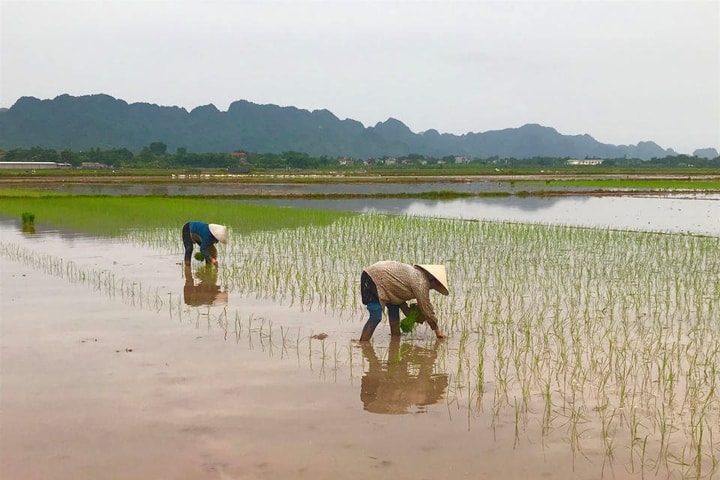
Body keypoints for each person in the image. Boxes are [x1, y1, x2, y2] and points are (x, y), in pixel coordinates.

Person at [359, 261, 449, 342]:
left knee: (394, 308)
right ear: (434, 280)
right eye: (436, 285)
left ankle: (395, 338)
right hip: (372, 278)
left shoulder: (417, 275)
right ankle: (363, 343)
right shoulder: (421, 282)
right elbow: (426, 308)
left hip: (388, 285)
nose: (433, 288)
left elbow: (400, 299)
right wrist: (437, 330)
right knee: (376, 316)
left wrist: (410, 314)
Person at [360, 337, 448, 414]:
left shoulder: (420, 395)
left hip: (386, 393)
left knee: (403, 366)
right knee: (422, 365)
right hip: (388, 393)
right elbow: (426, 367)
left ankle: (402, 354)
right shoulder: (421, 393)